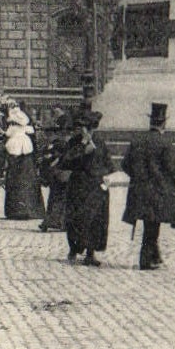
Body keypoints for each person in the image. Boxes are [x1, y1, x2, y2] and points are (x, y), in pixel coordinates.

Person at [122, 102, 175, 271]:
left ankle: (154, 255)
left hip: (139, 190)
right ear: (164, 123)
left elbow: (125, 164)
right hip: (157, 191)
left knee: (149, 223)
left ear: (151, 121)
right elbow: (172, 168)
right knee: (152, 225)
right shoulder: (164, 143)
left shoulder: (137, 140)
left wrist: (138, 177)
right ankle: (146, 260)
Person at [59, 111, 113, 264]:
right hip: (78, 186)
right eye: (82, 128)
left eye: (88, 128)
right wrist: (82, 148)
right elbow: (65, 162)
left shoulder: (100, 142)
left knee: (95, 219)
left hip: (96, 186)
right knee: (76, 218)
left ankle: (90, 252)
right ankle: (74, 248)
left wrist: (105, 177)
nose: (85, 131)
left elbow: (108, 164)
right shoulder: (74, 142)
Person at [3, 101, 46, 221]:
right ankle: (26, 209)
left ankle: (19, 210)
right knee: (25, 182)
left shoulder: (17, 134)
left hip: (21, 160)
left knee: (19, 182)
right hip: (26, 160)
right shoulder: (28, 133)